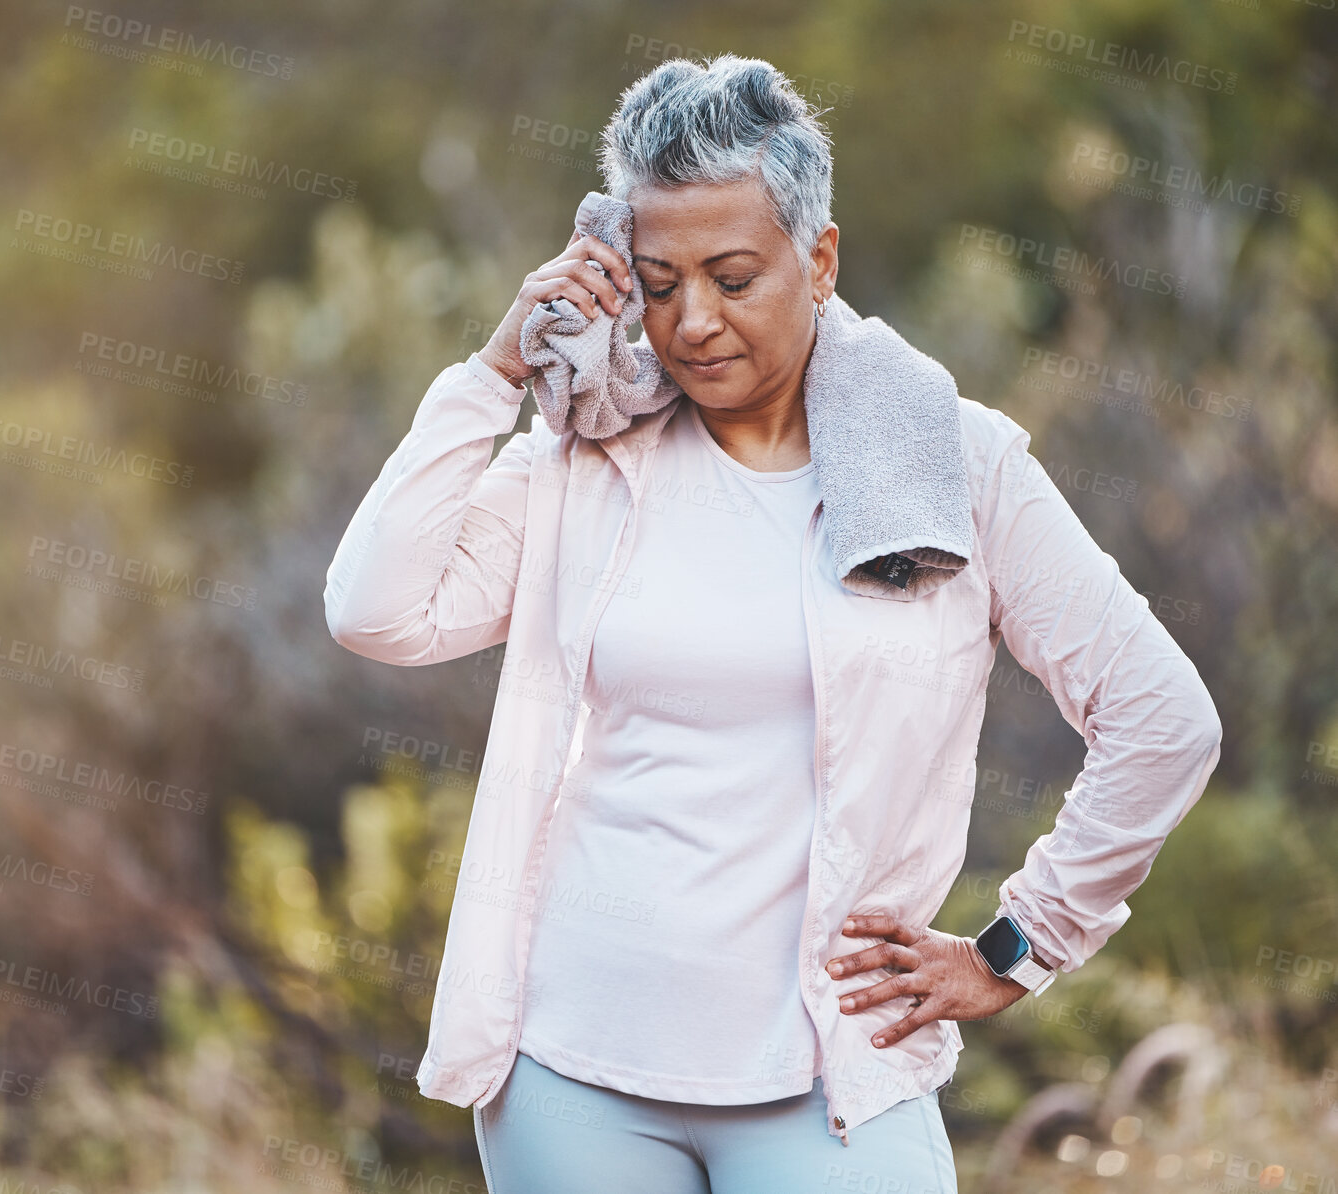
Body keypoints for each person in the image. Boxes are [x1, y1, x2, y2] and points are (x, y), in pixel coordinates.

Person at [323, 53, 1222, 1194]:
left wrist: (1017, 946)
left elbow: (1162, 722)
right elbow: (375, 610)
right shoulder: (586, 459)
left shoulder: (958, 468)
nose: (692, 322)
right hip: (570, 1079)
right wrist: (497, 370)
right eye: (657, 282)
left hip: (830, 1088)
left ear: (821, 258)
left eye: (734, 276)